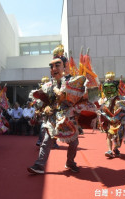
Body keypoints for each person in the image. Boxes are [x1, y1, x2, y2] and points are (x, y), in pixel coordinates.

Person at [27, 45, 99, 174]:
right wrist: (44, 108)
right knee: (46, 141)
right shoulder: (48, 85)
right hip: (53, 117)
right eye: (51, 66)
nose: (53, 69)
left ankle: (70, 163)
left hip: (69, 116)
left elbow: (68, 95)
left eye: (57, 65)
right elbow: (44, 101)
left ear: (65, 66)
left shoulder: (73, 81)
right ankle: (39, 165)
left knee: (74, 143)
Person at [98, 72, 125, 158]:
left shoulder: (119, 95)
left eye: (110, 80)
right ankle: (110, 150)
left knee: (119, 137)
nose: (108, 81)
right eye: (107, 80)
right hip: (108, 119)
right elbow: (101, 105)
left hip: (119, 119)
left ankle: (115, 148)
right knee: (109, 135)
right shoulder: (104, 96)